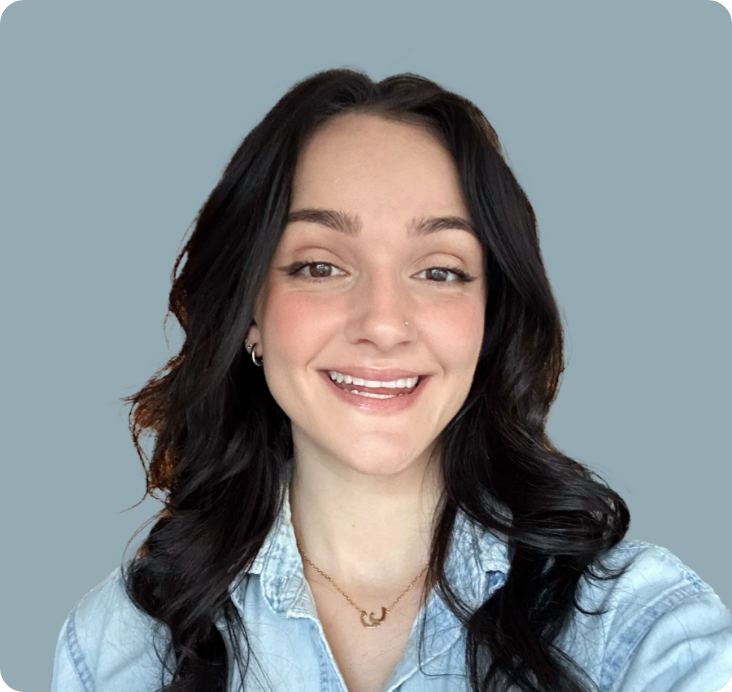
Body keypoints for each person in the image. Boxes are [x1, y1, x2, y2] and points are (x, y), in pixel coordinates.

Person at [51, 68, 732, 692]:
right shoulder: (118, 645)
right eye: (320, 266)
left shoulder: (640, 627)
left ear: (488, 320)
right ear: (249, 314)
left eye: (439, 271)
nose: (382, 323)